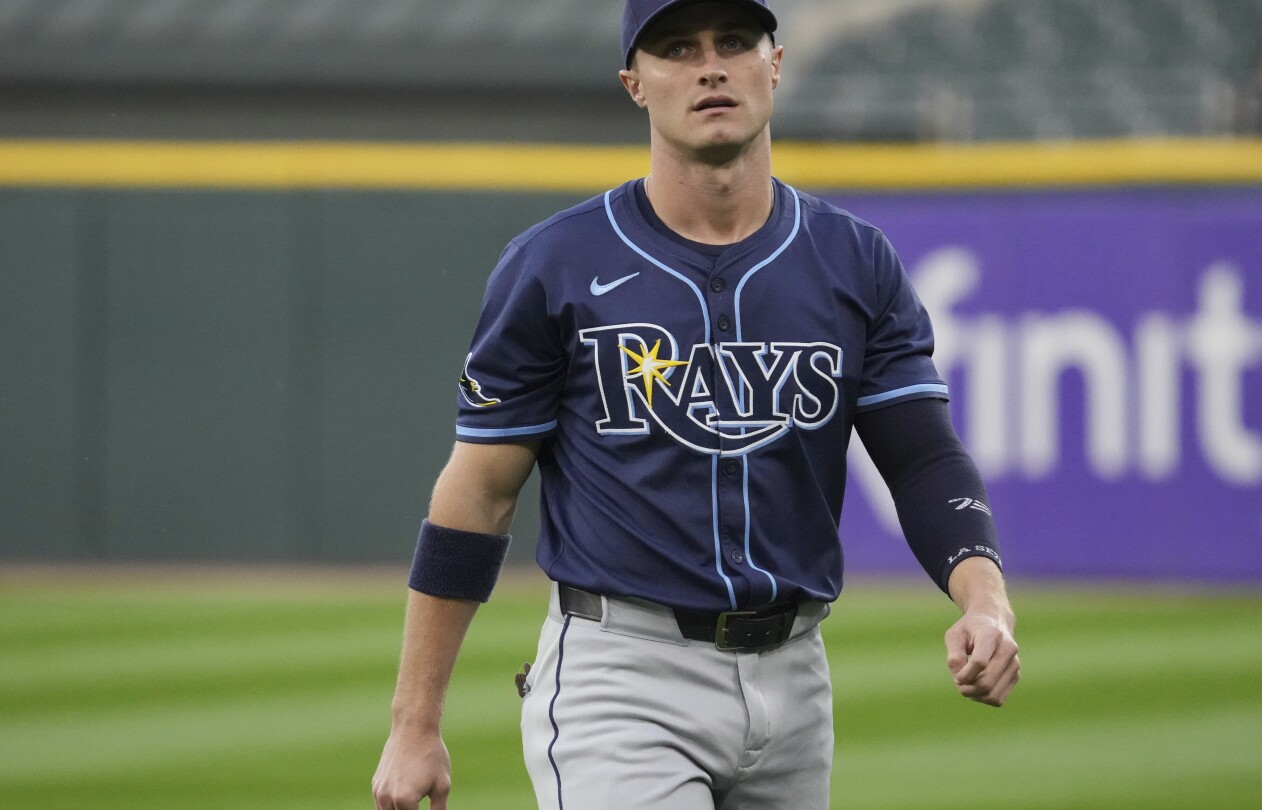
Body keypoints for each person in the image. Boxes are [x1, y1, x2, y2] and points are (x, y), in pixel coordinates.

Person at [371, 2, 1019, 808]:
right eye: (677, 48)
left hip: (796, 679)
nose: (710, 65)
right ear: (634, 83)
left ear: (774, 64)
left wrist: (984, 597)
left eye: (733, 41)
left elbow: (922, 458)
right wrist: (414, 722)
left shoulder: (854, 260)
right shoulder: (555, 264)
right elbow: (478, 493)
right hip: (622, 676)